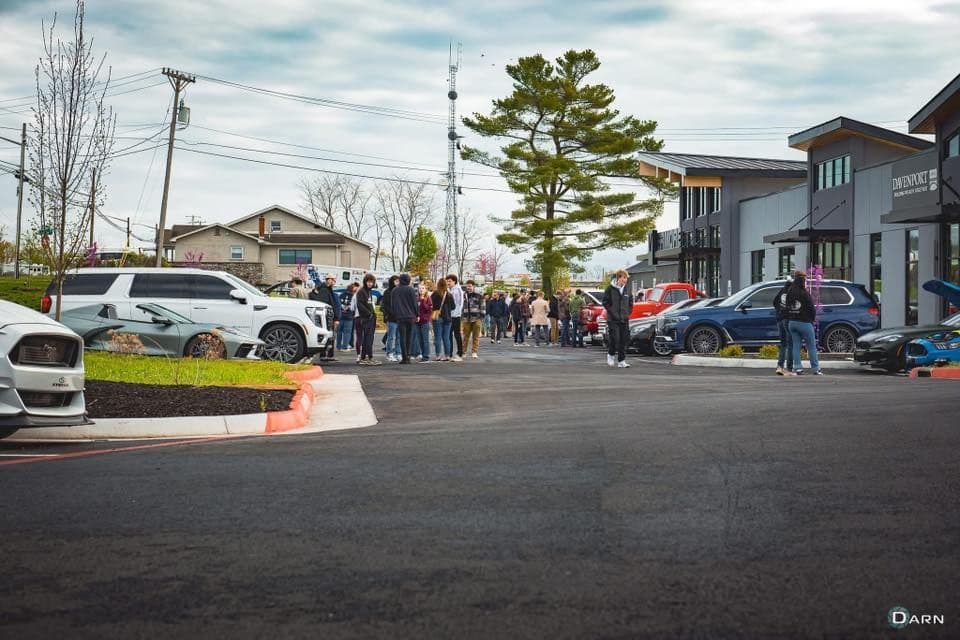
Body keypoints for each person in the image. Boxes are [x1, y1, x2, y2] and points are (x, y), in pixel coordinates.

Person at [786, 271, 822, 376]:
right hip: (805, 323)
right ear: (803, 281)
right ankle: (816, 369)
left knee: (796, 346)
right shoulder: (804, 293)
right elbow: (811, 308)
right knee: (811, 346)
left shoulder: (790, 292)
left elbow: (787, 307)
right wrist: (811, 319)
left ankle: (797, 368)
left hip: (792, 323)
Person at [602, 269, 633, 368]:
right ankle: (610, 354)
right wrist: (612, 311)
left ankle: (621, 361)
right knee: (615, 339)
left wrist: (628, 313)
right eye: (623, 278)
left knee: (624, 340)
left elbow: (631, 302)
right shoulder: (610, 289)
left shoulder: (627, 289)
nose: (625, 280)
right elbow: (605, 302)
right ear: (618, 278)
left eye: (626, 278)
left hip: (624, 318)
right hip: (613, 319)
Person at [309, 273, 341, 360]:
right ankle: (324, 355)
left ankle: (328, 355)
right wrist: (336, 318)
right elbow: (328, 305)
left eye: (333, 280)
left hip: (328, 317)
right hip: (327, 318)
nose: (333, 282)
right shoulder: (325, 290)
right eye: (332, 280)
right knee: (328, 336)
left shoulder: (327, 290)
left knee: (330, 336)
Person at [391, 273, 418, 365]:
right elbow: (414, 303)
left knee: (402, 337)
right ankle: (408, 356)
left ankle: (404, 356)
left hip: (400, 316)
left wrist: (395, 314)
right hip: (410, 316)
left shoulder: (395, 290)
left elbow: (393, 304)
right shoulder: (410, 289)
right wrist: (417, 314)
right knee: (409, 337)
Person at [356, 273, 380, 365]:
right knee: (367, 338)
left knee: (369, 338)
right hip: (366, 318)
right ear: (365, 282)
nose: (370, 283)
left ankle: (368, 357)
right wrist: (369, 314)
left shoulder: (369, 292)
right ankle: (366, 357)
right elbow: (360, 305)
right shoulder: (362, 292)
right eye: (368, 282)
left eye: (371, 282)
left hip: (371, 318)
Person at [773, 277, 794, 375]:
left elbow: (774, 302)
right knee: (790, 344)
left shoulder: (782, 291)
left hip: (779, 319)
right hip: (787, 319)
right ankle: (789, 368)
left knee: (783, 344)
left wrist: (779, 311)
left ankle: (780, 366)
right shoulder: (792, 292)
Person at [432, 278, 455, 361]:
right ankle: (447, 355)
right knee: (446, 337)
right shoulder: (449, 295)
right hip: (448, 318)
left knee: (437, 337)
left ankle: (438, 355)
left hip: (438, 318)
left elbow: (431, 305)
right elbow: (453, 307)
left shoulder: (435, 294)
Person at [461, 280, 485, 359]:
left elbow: (483, 306)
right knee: (465, 336)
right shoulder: (464, 295)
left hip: (476, 318)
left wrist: (481, 317)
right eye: (467, 286)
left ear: (473, 286)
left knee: (476, 336)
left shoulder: (479, 295)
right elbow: (461, 306)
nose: (468, 287)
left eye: (470, 286)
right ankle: (463, 352)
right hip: (466, 318)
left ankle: (474, 352)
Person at [380, 275, 400, 362]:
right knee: (391, 336)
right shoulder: (387, 292)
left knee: (399, 337)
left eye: (398, 281)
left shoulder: (400, 291)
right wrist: (391, 314)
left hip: (400, 318)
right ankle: (389, 353)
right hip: (391, 318)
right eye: (395, 281)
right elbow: (385, 306)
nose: (397, 283)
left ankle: (398, 353)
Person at [447, 274, 464, 361]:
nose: (448, 283)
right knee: (450, 334)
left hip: (455, 315)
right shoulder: (451, 289)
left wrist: (456, 313)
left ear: (454, 281)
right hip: (452, 314)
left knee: (456, 334)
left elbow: (458, 304)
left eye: (450, 281)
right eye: (447, 281)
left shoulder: (456, 290)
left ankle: (459, 353)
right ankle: (450, 353)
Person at [414, 282, 433, 362]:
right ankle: (422, 354)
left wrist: (422, 301)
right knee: (419, 339)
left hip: (425, 321)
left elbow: (428, 309)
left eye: (423, 288)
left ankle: (426, 355)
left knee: (425, 339)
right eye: (419, 288)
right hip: (417, 322)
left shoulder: (428, 298)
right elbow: (415, 309)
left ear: (426, 290)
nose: (421, 290)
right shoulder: (416, 298)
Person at [337, 283, 356, 352]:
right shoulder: (354, 297)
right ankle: (345, 346)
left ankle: (338, 346)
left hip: (340, 316)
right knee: (347, 332)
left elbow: (338, 305)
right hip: (349, 317)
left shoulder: (341, 295)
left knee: (339, 332)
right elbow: (354, 307)